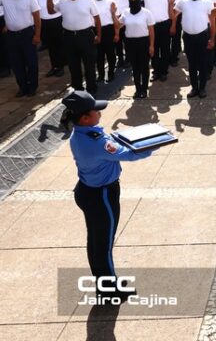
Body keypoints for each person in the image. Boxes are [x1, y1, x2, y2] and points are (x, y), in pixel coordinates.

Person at [61, 90, 156, 299]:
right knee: (103, 245)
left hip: (88, 191)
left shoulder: (83, 133)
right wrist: (153, 144)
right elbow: (129, 154)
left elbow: (110, 141)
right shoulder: (95, 142)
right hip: (101, 196)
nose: (100, 113)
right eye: (96, 111)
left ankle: (104, 282)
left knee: (96, 241)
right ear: (85, 118)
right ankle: (110, 291)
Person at [51, 0, 102, 94]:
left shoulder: (88, 0)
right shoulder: (62, 1)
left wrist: (98, 35)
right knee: (73, 66)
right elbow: (51, 11)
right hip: (69, 37)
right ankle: (78, 90)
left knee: (89, 65)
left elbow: (97, 18)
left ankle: (91, 89)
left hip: (85, 35)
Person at [173, 0, 214, 98]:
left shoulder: (207, 2)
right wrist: (171, 4)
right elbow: (173, 15)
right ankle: (194, 88)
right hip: (188, 37)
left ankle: (202, 88)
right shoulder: (182, 2)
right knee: (191, 64)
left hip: (202, 36)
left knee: (202, 63)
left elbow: (212, 22)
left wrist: (212, 39)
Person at [117, 0, 154, 99]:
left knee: (144, 67)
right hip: (130, 43)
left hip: (143, 42)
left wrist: (151, 46)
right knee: (135, 67)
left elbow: (151, 30)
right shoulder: (126, 12)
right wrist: (113, 14)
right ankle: (138, 89)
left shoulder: (146, 12)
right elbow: (118, 26)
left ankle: (144, 89)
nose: (133, 0)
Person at [35, 0, 65, 77]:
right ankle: (54, 67)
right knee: (51, 47)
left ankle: (60, 67)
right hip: (45, 23)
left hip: (57, 22)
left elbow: (53, 10)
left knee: (59, 46)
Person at [91, 0, 119, 83]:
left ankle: (111, 73)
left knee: (110, 54)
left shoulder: (110, 2)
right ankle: (101, 74)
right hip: (95, 30)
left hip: (108, 30)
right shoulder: (91, 1)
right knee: (99, 55)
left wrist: (116, 33)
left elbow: (116, 20)